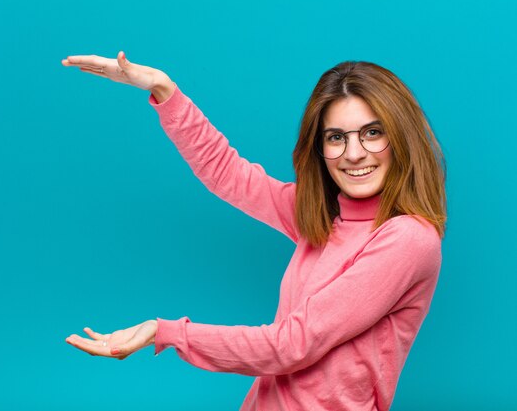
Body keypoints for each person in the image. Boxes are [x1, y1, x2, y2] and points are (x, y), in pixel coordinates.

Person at [62, 51, 446, 411]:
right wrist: (164, 90)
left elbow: (293, 344)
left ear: (400, 138)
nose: (354, 153)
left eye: (372, 132)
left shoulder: (408, 240)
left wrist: (166, 332)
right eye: (336, 137)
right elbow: (227, 173)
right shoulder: (320, 216)